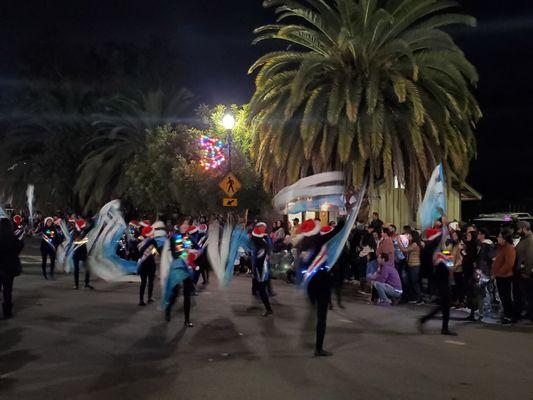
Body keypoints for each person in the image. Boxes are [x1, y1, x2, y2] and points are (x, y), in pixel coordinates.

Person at [419, 222, 457, 336]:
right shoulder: (437, 254)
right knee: (445, 304)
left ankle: (426, 320)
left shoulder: (434, 253)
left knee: (444, 304)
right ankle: (443, 328)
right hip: (442, 282)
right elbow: (450, 265)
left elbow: (449, 260)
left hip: (440, 281)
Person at [163, 233, 195, 327]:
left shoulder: (187, 238)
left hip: (186, 268)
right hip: (177, 268)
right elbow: (174, 254)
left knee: (187, 295)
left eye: (187, 223)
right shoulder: (175, 237)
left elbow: (194, 247)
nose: (185, 225)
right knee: (175, 293)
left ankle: (187, 320)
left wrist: (194, 250)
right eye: (183, 223)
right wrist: (184, 251)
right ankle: (168, 308)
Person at [0, 217, 23, 319]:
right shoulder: (13, 238)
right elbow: (20, 246)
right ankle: (7, 311)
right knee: (8, 290)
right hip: (9, 267)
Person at [492, 228, 517, 324]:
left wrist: (498, 273)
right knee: (503, 297)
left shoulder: (509, 248)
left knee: (506, 297)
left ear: (504, 238)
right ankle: (506, 314)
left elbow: (509, 264)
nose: (497, 238)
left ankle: (509, 316)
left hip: (506, 277)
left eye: (499, 237)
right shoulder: (500, 247)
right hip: (499, 276)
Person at [250, 224, 273, 317]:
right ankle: (266, 305)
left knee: (262, 289)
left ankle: (268, 309)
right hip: (262, 268)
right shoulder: (264, 241)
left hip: (261, 270)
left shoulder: (260, 245)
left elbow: (258, 259)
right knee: (260, 287)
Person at [137, 226, 160, 306]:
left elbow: (140, 253)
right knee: (149, 282)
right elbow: (155, 252)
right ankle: (148, 298)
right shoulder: (152, 241)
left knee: (145, 282)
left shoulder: (140, 241)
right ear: (149, 233)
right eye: (152, 232)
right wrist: (153, 251)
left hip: (143, 264)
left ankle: (142, 300)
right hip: (149, 263)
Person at [399, 230, 423, 304]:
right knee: (410, 281)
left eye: (410, 236)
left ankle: (420, 298)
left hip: (415, 265)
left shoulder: (415, 244)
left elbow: (404, 250)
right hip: (411, 264)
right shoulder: (412, 244)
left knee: (414, 282)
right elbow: (406, 252)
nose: (408, 237)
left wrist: (399, 242)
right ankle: (414, 297)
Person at [516, 221, 533, 322]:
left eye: (519, 229)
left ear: (524, 228)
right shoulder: (525, 239)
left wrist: (526, 273)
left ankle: (530, 315)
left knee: (529, 296)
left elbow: (530, 258)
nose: (517, 231)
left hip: (527, 274)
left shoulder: (529, 241)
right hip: (522, 272)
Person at [72, 219, 93, 290]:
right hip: (76, 253)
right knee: (76, 269)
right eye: (83, 224)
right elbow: (75, 241)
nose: (84, 225)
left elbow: (92, 226)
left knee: (88, 269)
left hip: (84, 252)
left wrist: (94, 219)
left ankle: (87, 284)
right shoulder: (75, 232)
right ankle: (76, 284)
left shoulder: (85, 231)